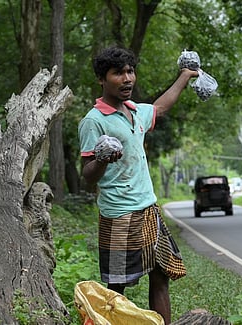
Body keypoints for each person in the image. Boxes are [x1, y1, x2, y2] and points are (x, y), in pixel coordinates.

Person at [78, 46, 198, 324]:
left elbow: (160, 107)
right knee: (117, 289)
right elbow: (87, 174)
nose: (127, 78)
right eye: (118, 73)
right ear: (102, 79)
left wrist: (185, 76)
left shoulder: (135, 111)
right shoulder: (94, 121)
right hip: (119, 215)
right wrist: (102, 158)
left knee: (160, 276)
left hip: (148, 209)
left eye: (130, 71)